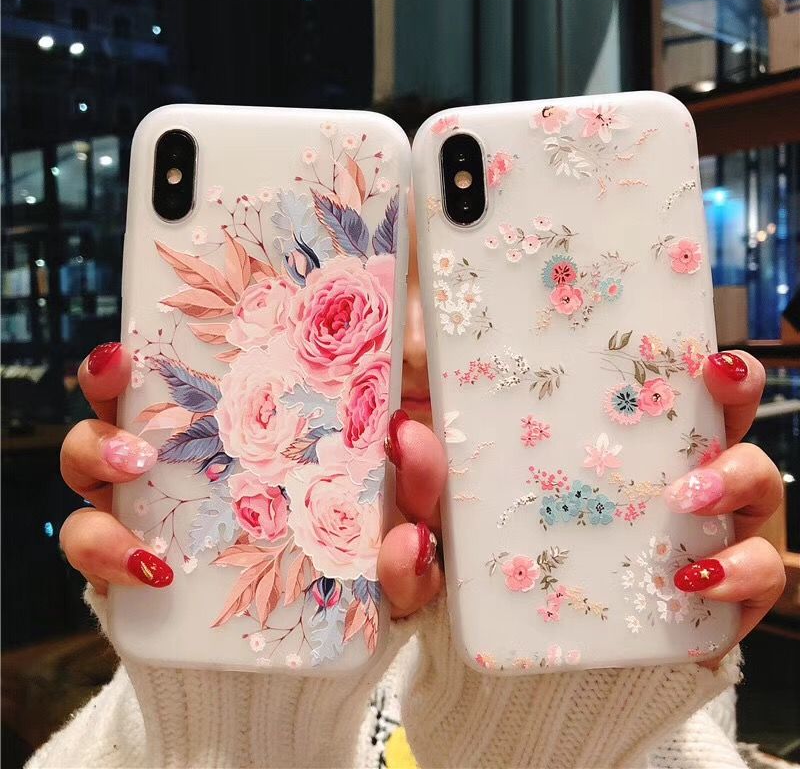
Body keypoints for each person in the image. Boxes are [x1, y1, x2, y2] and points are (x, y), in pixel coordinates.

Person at [32, 194, 786, 769]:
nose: (418, 347)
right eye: (383, 283)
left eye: (471, 287)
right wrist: (239, 716)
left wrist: (554, 721)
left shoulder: (644, 660)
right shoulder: (198, 650)